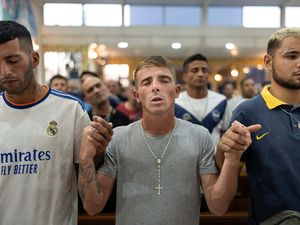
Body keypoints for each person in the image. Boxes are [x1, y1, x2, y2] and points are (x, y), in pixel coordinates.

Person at [78, 55, 257, 225]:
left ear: (177, 91)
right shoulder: (119, 137)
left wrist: (233, 158)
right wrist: (86, 157)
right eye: (146, 82)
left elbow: (218, 206)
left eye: (163, 80)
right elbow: (93, 206)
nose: (156, 87)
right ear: (137, 95)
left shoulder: (199, 135)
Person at [0, 21, 90, 225]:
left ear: (34, 59)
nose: (4, 71)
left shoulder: (70, 109)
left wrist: (99, 150)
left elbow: (88, 177)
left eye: (12, 60)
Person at [216, 28, 300, 224]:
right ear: (268, 62)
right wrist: (223, 150)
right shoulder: (248, 111)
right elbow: (228, 170)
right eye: (291, 56)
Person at [175, 53, 231, 145]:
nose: (200, 74)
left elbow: (225, 132)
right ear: (184, 76)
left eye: (204, 70)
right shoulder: (176, 102)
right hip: (185, 158)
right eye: (195, 70)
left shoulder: (221, 101)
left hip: (214, 157)